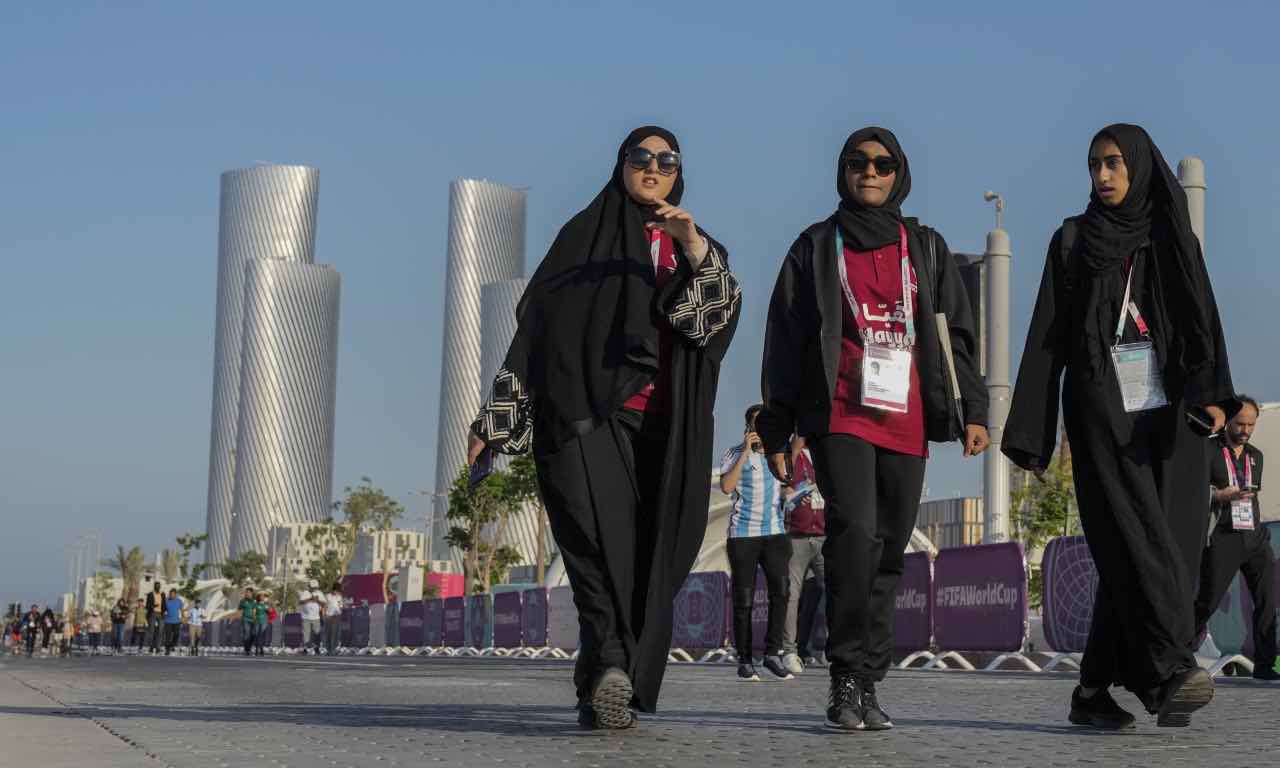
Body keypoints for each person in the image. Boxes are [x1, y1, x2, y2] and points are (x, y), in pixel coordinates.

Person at [468, 126, 741, 730]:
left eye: (666, 161)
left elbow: (714, 324)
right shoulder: (580, 240)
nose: (652, 168)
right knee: (593, 544)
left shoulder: (695, 246)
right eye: (640, 158)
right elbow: (535, 333)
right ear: (620, 166)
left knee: (653, 555)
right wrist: (499, 417)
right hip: (584, 414)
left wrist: (692, 248)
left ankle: (600, 679)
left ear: (678, 173)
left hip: (664, 426)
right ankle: (614, 662)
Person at [1003, 124, 1237, 729]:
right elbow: (1047, 336)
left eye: (1113, 164)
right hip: (1102, 401)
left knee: (1176, 542)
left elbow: (1203, 316)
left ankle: (1092, 693)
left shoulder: (1170, 236)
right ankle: (1168, 672)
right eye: (1093, 165)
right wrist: (1033, 429)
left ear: (1139, 166)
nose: (1102, 176)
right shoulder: (1073, 241)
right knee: (1134, 536)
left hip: (1175, 404)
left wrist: (1214, 396)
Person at [759, 126, 990, 732]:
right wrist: (777, 425)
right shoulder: (815, 246)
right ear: (842, 171)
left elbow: (955, 335)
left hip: (907, 421)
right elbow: (783, 340)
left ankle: (868, 677)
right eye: (859, 163)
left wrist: (974, 411)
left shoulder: (926, 247)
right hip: (841, 415)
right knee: (854, 535)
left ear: (899, 174)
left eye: (883, 164)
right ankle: (843, 676)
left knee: (889, 551)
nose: (871, 172)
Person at [1194, 396, 1276, 680]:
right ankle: (1175, 658)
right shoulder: (1209, 449)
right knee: (1207, 602)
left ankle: (1265, 665)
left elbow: (1252, 495)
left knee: (1266, 601)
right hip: (1224, 537)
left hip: (1254, 536)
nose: (1245, 430)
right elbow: (1192, 493)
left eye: (1251, 425)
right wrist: (1218, 495)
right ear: (1228, 420)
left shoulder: (1256, 455)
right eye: (1240, 423)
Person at [719, 405, 793, 682]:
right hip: (743, 535)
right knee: (744, 598)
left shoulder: (779, 454)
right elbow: (727, 487)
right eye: (757, 425)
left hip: (774, 533)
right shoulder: (734, 453)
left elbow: (788, 482)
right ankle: (745, 659)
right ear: (748, 428)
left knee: (782, 591)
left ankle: (773, 653)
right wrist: (746, 453)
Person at [780, 435, 826, 676]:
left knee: (837, 590)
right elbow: (781, 485)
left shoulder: (823, 450)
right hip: (796, 536)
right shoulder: (788, 455)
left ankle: (831, 646)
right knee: (792, 594)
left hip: (823, 535)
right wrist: (795, 450)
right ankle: (789, 650)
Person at [298, 580, 323, 654]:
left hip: (316, 617)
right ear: (309, 587)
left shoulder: (319, 593)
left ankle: (317, 648)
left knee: (317, 633)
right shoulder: (305, 593)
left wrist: (318, 600)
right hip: (306, 617)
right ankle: (305, 648)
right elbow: (300, 602)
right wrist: (310, 599)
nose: (314, 589)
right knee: (306, 634)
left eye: (315, 587)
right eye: (313, 587)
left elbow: (324, 603)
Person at [145, 583, 165, 654]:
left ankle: (158, 647)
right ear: (154, 587)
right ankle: (151, 647)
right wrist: (153, 606)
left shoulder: (162, 594)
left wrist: (164, 612)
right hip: (152, 613)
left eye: (159, 586)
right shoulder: (150, 594)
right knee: (151, 631)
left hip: (160, 614)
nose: (157, 587)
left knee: (160, 631)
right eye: (156, 586)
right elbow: (147, 605)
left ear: (160, 587)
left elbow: (164, 604)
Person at [323, 587, 343, 655]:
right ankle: (328, 650)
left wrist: (340, 611)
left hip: (336, 616)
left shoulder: (339, 597)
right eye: (336, 591)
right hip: (329, 616)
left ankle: (334, 649)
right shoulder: (327, 596)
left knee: (335, 633)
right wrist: (324, 615)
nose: (336, 592)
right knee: (328, 633)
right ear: (333, 590)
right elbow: (325, 606)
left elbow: (341, 606)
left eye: (338, 591)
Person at [162, 589, 183, 655]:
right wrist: (163, 614)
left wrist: (183, 618)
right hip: (167, 621)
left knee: (176, 634)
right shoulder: (166, 600)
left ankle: (172, 645)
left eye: (173, 594)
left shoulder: (179, 601)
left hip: (176, 621)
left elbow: (181, 610)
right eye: (170, 594)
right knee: (168, 636)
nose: (171, 595)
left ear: (175, 594)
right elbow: (163, 609)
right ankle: (167, 649)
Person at [239, 588, 258, 657]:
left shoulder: (254, 601)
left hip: (252, 620)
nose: (247, 594)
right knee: (247, 634)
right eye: (246, 592)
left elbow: (254, 611)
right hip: (245, 619)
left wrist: (255, 619)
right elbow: (239, 610)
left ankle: (249, 648)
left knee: (253, 634)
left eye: (248, 592)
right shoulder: (242, 601)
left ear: (251, 594)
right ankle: (247, 650)